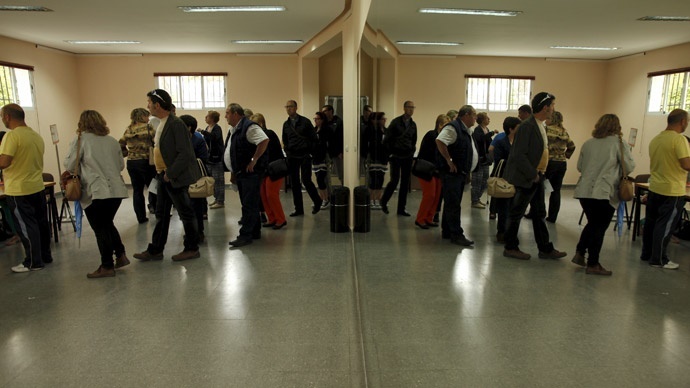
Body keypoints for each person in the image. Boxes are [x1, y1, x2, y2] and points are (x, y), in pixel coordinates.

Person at [133, 89, 201, 262]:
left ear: (157, 104)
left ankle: (192, 248)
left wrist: (170, 173)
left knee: (185, 213)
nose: (147, 105)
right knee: (162, 215)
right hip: (163, 176)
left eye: (149, 102)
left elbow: (185, 153)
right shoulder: (162, 122)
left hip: (173, 177)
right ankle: (156, 250)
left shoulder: (176, 124)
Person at [64, 110, 129, 278]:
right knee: (107, 223)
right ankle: (120, 255)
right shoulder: (112, 141)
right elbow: (121, 165)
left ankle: (107, 266)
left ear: (82, 123)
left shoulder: (80, 141)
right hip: (117, 190)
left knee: (100, 229)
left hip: (96, 191)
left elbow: (71, 165)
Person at [502, 92, 567, 260]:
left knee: (539, 214)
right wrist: (533, 174)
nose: (554, 109)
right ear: (545, 107)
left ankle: (545, 248)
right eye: (553, 105)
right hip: (528, 177)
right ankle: (510, 247)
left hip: (537, 176)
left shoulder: (540, 125)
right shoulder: (527, 126)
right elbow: (518, 155)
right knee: (516, 213)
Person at [573, 114, 635, 276]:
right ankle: (593, 263)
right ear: (617, 127)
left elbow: (580, 167)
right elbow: (629, 167)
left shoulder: (588, 143)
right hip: (605, 191)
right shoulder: (620, 144)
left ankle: (580, 252)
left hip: (584, 191)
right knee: (599, 227)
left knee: (593, 223)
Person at [0, 103, 54, 272]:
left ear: (8, 117)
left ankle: (33, 262)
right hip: (37, 186)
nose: (2, 120)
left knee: (26, 227)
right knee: (40, 223)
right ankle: (45, 256)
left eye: (2, 116)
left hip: (18, 190)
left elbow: (5, 162)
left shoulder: (12, 136)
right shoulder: (35, 136)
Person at [640, 109, 690, 269]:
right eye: (687, 121)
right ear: (682, 121)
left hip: (655, 187)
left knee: (651, 223)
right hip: (672, 190)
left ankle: (646, 254)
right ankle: (659, 259)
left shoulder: (656, 139)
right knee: (665, 226)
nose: (687, 124)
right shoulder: (679, 140)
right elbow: (686, 164)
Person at [227, 104, 269, 247]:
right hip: (241, 172)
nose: (225, 116)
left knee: (248, 204)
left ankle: (245, 235)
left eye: (227, 113)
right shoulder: (236, 128)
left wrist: (254, 159)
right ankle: (255, 231)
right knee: (251, 203)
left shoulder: (249, 126)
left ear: (235, 114)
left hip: (251, 173)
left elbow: (264, 140)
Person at [436, 105, 476, 246]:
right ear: (465, 115)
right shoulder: (453, 127)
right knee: (453, 204)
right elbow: (440, 141)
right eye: (474, 115)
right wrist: (449, 160)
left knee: (451, 203)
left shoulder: (465, 129)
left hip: (459, 173)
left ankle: (447, 231)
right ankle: (456, 234)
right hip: (451, 173)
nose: (475, 118)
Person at [282, 100, 322, 216]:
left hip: (304, 155)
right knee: (294, 183)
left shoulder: (305, 122)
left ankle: (317, 201)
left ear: (296, 108)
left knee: (306, 180)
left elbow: (314, 139)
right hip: (292, 157)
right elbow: (285, 140)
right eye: (287, 106)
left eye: (290, 106)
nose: (288, 109)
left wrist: (310, 153)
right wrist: (288, 151)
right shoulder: (286, 124)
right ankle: (298, 209)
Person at [119, 108, 156, 224]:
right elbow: (157, 141)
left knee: (137, 191)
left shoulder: (129, 129)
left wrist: (128, 153)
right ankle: (157, 210)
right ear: (142, 116)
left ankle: (141, 217)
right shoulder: (148, 128)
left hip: (132, 162)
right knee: (154, 187)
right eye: (146, 116)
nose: (148, 118)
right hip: (146, 161)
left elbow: (120, 144)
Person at [381, 100, 417, 216]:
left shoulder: (413, 125)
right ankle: (383, 201)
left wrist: (411, 152)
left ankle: (401, 209)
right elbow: (387, 139)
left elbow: (414, 141)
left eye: (413, 107)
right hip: (396, 156)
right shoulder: (396, 122)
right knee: (394, 180)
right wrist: (390, 154)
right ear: (404, 108)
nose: (411, 109)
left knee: (405, 183)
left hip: (407, 156)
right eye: (409, 107)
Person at [252, 113, 287, 230]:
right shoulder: (260, 136)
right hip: (265, 169)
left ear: (261, 124)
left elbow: (271, 153)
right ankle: (272, 218)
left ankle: (280, 219)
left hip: (274, 169)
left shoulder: (269, 134)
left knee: (271, 195)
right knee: (263, 195)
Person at [415, 114, 449, 229]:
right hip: (427, 169)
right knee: (430, 195)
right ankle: (420, 219)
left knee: (437, 195)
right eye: (445, 125)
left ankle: (429, 218)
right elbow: (427, 153)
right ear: (439, 124)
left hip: (437, 170)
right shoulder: (432, 135)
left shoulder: (442, 138)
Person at [492, 117, 521, 243]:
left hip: (517, 179)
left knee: (515, 208)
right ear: (511, 129)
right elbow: (498, 160)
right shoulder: (500, 142)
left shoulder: (520, 142)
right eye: (518, 127)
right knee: (503, 208)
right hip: (504, 179)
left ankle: (511, 232)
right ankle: (501, 231)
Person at [180, 115, 209, 243]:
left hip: (195, 178)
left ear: (188, 127)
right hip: (183, 178)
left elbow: (203, 158)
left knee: (196, 206)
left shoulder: (198, 139)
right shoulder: (180, 138)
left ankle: (198, 232)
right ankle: (191, 232)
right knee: (186, 207)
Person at [544, 111, 576, 222]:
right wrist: (565, 155)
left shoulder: (546, 130)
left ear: (552, 119)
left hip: (549, 163)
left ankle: (537, 213)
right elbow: (572, 146)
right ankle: (552, 217)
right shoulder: (564, 132)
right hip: (561, 163)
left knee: (540, 188)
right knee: (556, 191)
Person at [471, 112, 498, 209]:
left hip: (486, 159)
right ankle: (474, 201)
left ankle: (477, 198)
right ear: (482, 120)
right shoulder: (478, 130)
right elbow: (481, 139)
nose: (489, 119)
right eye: (487, 118)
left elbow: (488, 141)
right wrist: (492, 133)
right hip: (479, 159)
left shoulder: (486, 129)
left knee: (485, 179)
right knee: (477, 180)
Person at [363, 112, 389, 209]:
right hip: (373, 159)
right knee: (373, 180)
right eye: (382, 119)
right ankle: (371, 200)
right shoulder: (370, 131)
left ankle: (378, 199)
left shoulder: (386, 131)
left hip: (383, 159)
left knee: (380, 180)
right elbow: (366, 145)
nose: (384, 120)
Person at [201, 110, 225, 209]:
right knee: (212, 181)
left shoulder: (217, 128)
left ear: (212, 118)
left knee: (219, 180)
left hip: (217, 159)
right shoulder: (208, 128)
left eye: (207, 116)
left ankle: (220, 201)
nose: (205, 118)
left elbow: (214, 138)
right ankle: (216, 198)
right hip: (209, 159)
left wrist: (203, 132)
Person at [312, 111, 332, 208]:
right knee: (318, 179)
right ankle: (322, 198)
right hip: (315, 157)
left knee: (322, 179)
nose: (315, 120)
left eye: (317, 119)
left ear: (322, 120)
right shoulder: (314, 129)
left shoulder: (327, 130)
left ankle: (326, 199)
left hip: (323, 157)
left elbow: (327, 144)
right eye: (314, 119)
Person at [322, 104, 344, 184]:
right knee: (325, 174)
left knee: (340, 173)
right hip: (326, 152)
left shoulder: (338, 121)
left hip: (337, 152)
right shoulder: (323, 122)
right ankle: (328, 192)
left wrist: (341, 151)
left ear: (330, 111)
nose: (323, 113)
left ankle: (343, 188)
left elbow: (341, 137)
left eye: (325, 111)